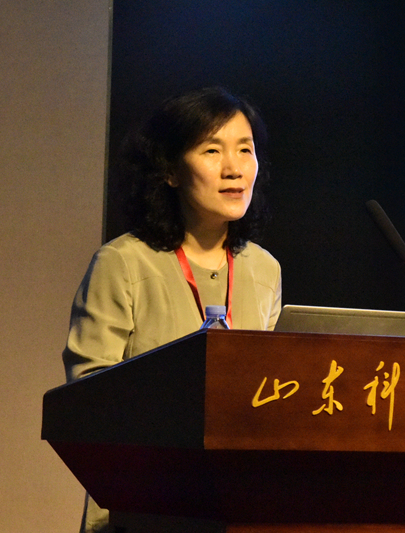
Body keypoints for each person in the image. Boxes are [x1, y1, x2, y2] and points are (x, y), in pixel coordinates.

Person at [61, 87, 282, 532]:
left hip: (235, 508)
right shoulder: (124, 263)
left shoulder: (264, 269)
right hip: (139, 509)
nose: (234, 168)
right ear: (169, 170)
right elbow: (88, 397)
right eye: (212, 150)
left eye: (245, 149)